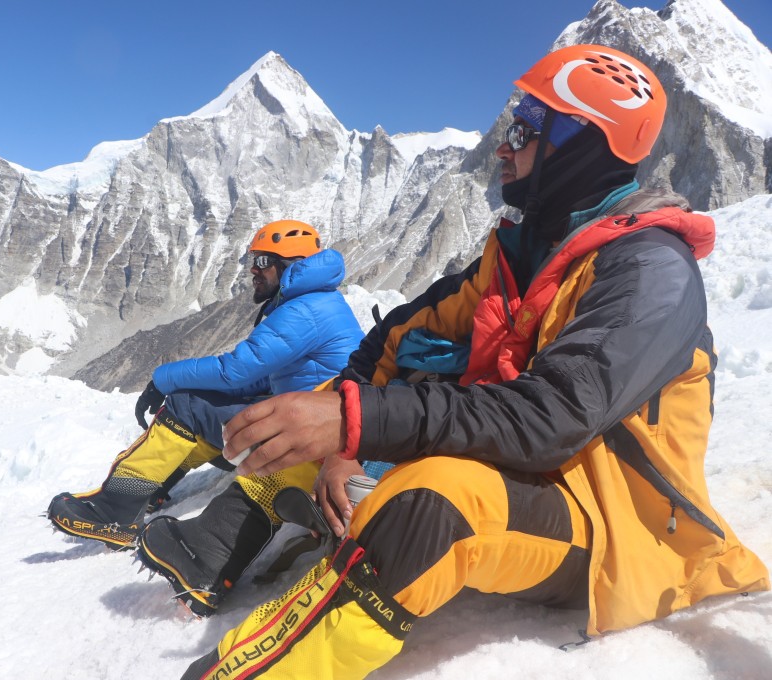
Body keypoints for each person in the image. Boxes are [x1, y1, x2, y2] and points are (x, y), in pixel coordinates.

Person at [183, 44, 770, 679]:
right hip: (520, 475)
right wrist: (341, 435)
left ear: (581, 145)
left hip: (612, 527)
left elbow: (551, 417)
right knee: (317, 414)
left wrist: (356, 423)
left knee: (429, 501)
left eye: (521, 129)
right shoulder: (522, 254)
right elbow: (391, 339)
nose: (502, 146)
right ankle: (211, 551)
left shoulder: (648, 272)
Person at [48, 220, 364, 613]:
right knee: (196, 401)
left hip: (304, 436)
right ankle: (146, 492)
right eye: (252, 259)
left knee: (186, 406)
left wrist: (164, 379)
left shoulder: (306, 310)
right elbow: (259, 377)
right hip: (304, 423)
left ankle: (118, 510)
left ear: (291, 264)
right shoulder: (314, 302)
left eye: (262, 260)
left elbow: (237, 370)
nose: (252, 269)